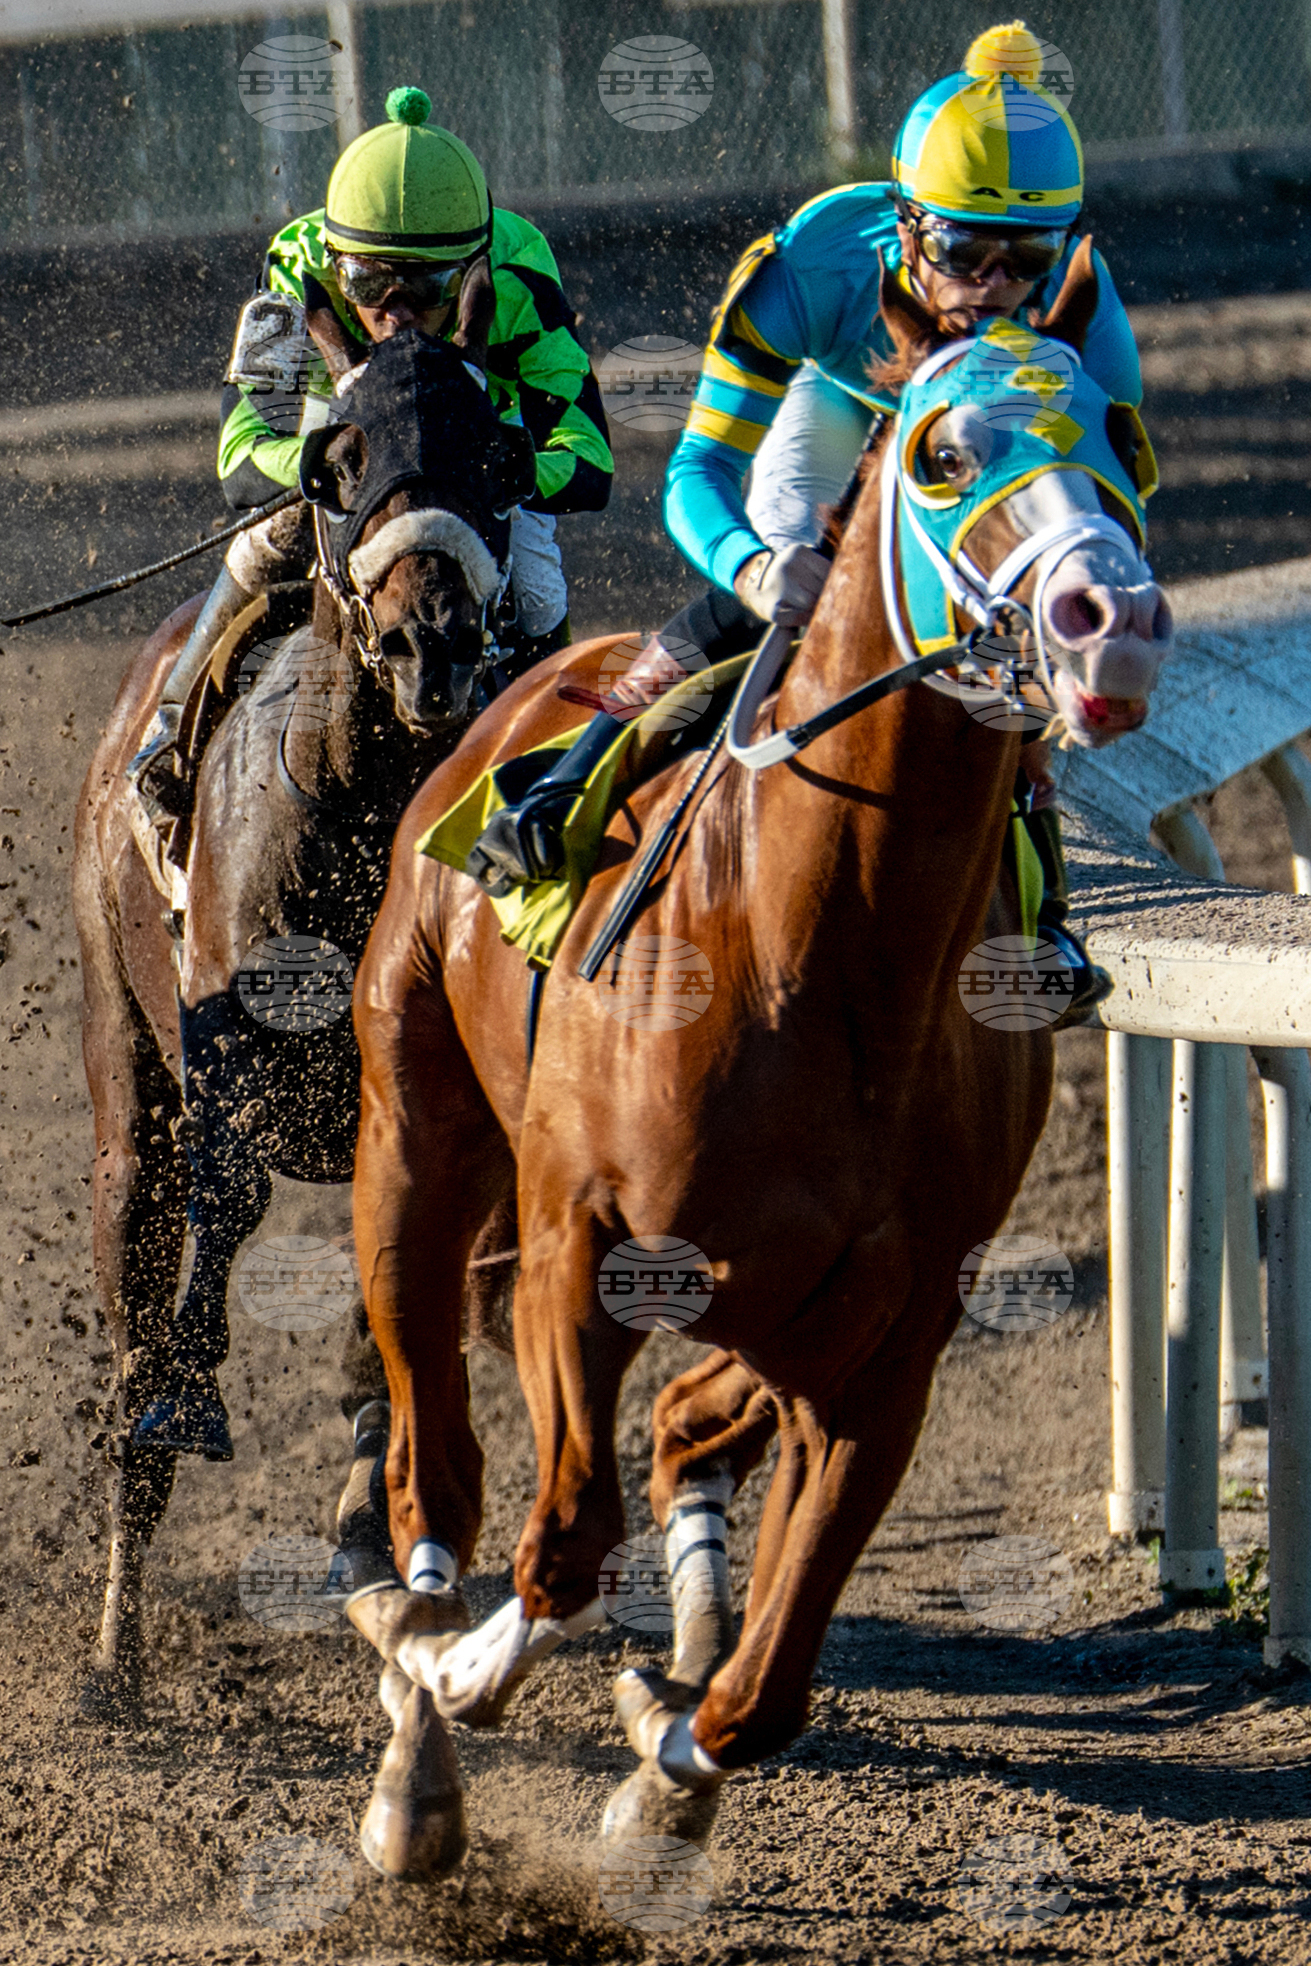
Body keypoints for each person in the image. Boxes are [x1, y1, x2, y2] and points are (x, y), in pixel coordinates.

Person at [468, 22, 1141, 1017]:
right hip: (844, 411)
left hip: (989, 447)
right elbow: (695, 472)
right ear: (907, 226)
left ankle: (1042, 914)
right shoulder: (813, 264)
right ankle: (568, 784)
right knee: (789, 596)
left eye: (1027, 258)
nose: (996, 287)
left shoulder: (1088, 313)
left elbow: (1116, 508)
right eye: (964, 250)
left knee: (1010, 645)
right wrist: (751, 568)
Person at [129, 86, 612, 824]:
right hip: (342, 430)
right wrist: (315, 459)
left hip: (467, 440)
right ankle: (168, 741)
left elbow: (591, 458)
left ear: (476, 267)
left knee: (538, 582)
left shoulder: (520, 267)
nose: (395, 311)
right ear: (333, 262)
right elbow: (241, 460)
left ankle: (566, 772)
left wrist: (522, 467)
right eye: (366, 284)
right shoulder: (295, 265)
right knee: (265, 542)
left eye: (428, 288)